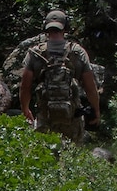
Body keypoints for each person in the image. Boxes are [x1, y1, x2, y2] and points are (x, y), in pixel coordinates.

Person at [19, 10, 104, 144]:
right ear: (66, 27)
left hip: (45, 114)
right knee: (71, 154)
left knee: (43, 153)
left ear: (45, 27)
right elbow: (90, 87)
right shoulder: (78, 52)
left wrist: (25, 108)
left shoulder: (35, 53)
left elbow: (25, 87)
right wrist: (96, 110)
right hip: (71, 116)